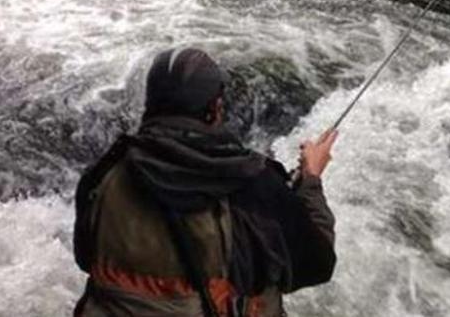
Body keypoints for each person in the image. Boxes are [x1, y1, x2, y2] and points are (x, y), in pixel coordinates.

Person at [73, 48, 338, 317]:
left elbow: (85, 258)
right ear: (215, 109)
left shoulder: (105, 172)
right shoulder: (254, 183)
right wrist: (311, 180)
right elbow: (317, 264)